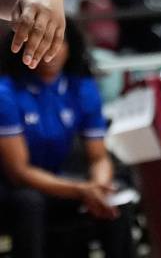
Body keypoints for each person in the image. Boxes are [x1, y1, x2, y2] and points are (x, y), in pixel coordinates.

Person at [0, 22, 134, 258]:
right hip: (17, 187)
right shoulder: (6, 93)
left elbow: (99, 157)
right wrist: (81, 190)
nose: (51, 49)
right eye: (41, 41)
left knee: (117, 198)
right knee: (29, 202)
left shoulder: (82, 87)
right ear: (22, 46)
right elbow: (18, 172)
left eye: (59, 41)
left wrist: (99, 187)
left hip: (65, 182)